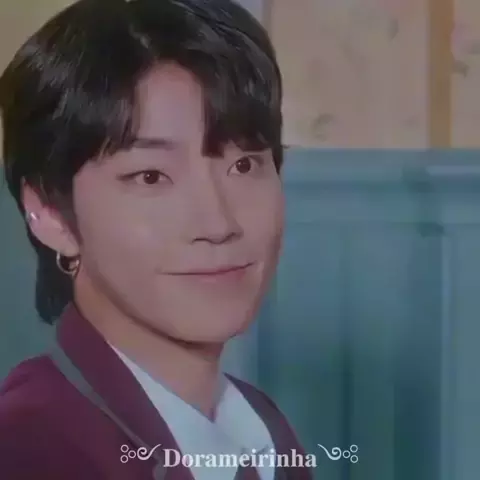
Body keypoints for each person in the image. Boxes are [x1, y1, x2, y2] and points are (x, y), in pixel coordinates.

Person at [0, 0, 312, 478]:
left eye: (244, 164)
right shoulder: (27, 448)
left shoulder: (261, 428)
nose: (218, 223)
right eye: (150, 176)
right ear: (51, 213)